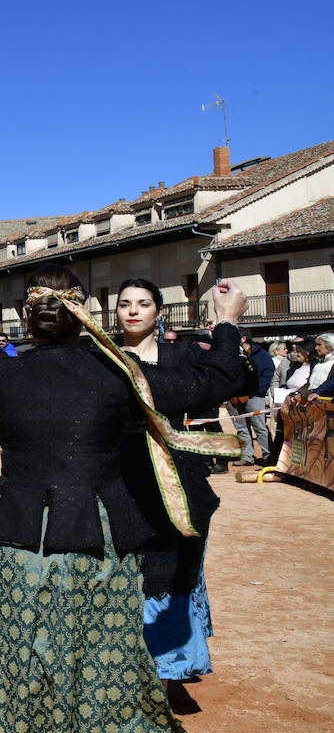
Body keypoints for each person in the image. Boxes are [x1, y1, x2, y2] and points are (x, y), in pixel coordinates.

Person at [0, 266, 249, 733]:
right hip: (96, 537)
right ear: (83, 313)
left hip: (12, 538)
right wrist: (227, 324)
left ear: (27, 317)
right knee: (96, 666)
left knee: (15, 663)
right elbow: (215, 380)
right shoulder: (119, 374)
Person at [116, 279, 251, 695]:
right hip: (120, 479)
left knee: (173, 572)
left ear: (159, 311)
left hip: (179, 482)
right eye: (124, 304)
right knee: (125, 576)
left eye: (143, 303)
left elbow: (234, 380)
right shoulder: (101, 358)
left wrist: (227, 322)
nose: (133, 310)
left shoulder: (182, 355)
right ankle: (130, 665)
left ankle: (171, 668)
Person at [229, 332, 274, 465]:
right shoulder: (230, 354)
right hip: (234, 397)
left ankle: (269, 456)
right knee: (241, 428)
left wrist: (258, 391)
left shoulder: (261, 354)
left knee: (260, 428)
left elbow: (268, 373)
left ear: (243, 339)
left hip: (254, 397)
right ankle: (247, 456)